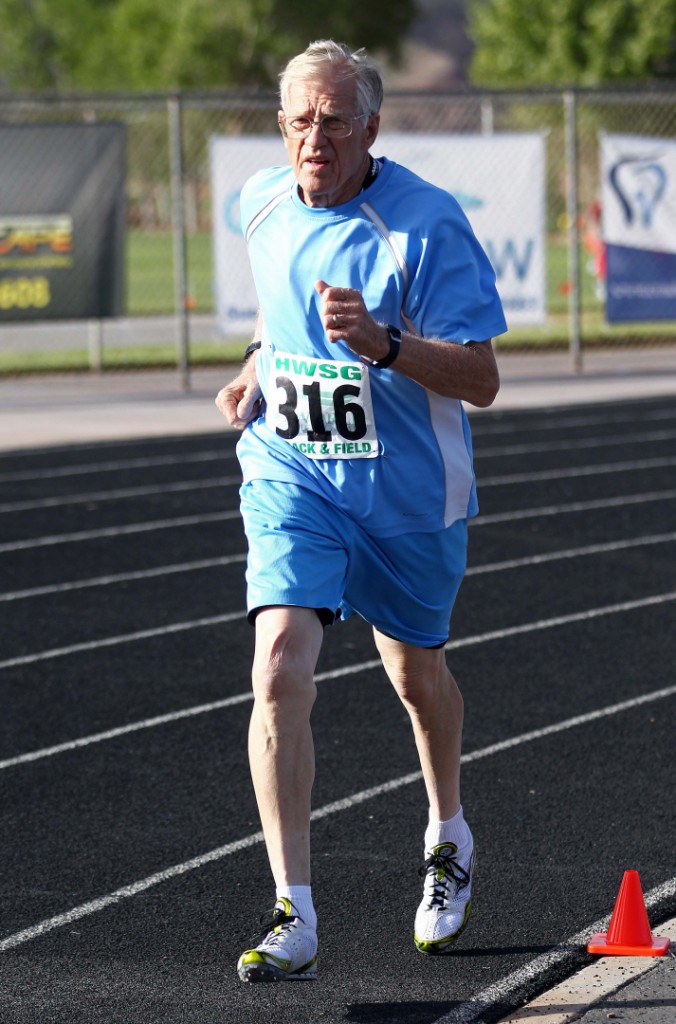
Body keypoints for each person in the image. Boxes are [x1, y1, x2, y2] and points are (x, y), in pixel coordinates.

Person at [215, 39, 507, 984]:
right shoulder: (258, 200)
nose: (315, 138)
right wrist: (257, 366)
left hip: (405, 497)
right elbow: (277, 307)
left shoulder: (424, 226)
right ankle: (291, 911)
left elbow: (483, 378)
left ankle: (449, 830)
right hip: (294, 474)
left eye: (335, 121)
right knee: (277, 666)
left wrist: (384, 346)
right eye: (300, 119)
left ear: (371, 127)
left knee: (417, 677)